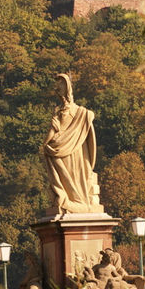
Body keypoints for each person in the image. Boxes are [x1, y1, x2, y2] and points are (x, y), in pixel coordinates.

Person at [42, 74, 104, 214]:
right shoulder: (58, 111)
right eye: (57, 86)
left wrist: (45, 144)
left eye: (61, 85)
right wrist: (46, 144)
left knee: (77, 177)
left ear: (68, 88)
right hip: (60, 149)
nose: (58, 88)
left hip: (77, 151)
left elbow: (89, 118)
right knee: (65, 178)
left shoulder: (80, 111)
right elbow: (54, 129)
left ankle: (79, 202)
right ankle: (66, 200)